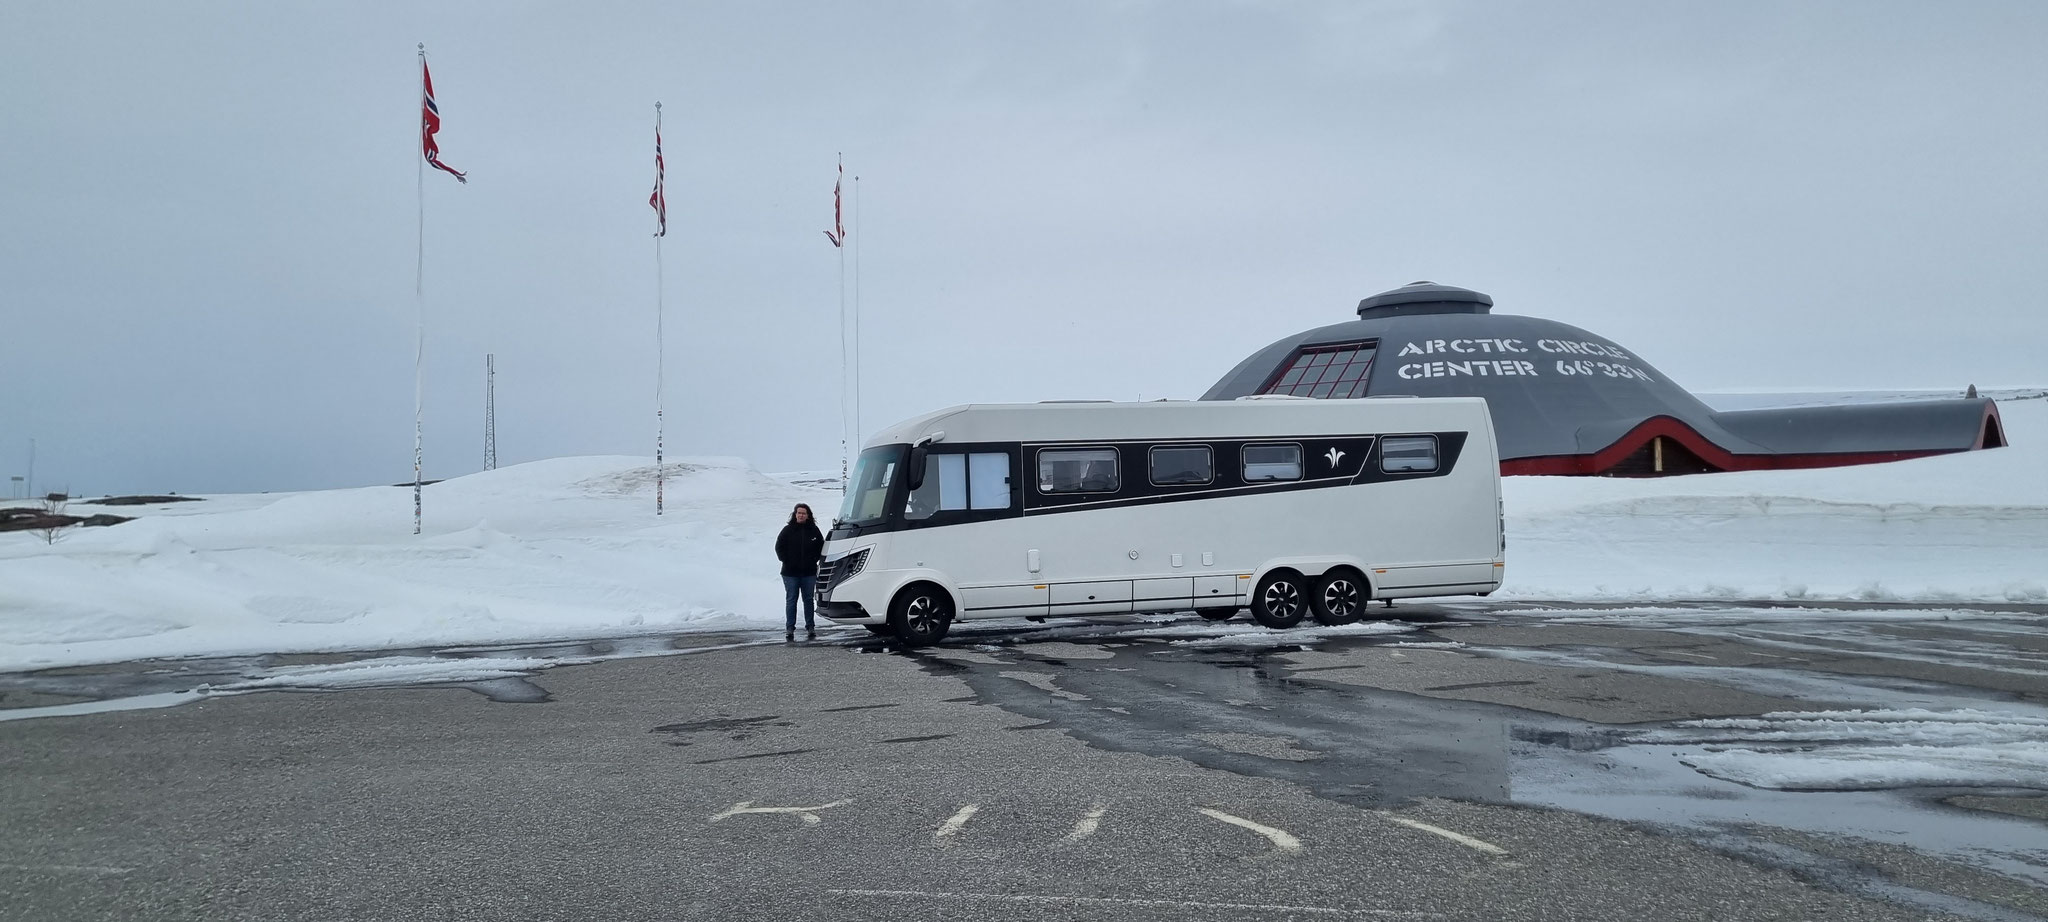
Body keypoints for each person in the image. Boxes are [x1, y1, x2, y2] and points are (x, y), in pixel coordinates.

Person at [774, 502, 826, 640]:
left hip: (808, 573)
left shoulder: (814, 530)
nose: (801, 515)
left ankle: (810, 627)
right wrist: (786, 560)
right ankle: (790, 628)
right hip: (790, 573)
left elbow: (821, 547)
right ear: (795, 514)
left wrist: (813, 559)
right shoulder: (787, 530)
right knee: (791, 599)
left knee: (808, 600)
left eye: (803, 513)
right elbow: (779, 547)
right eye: (799, 513)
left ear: (808, 515)